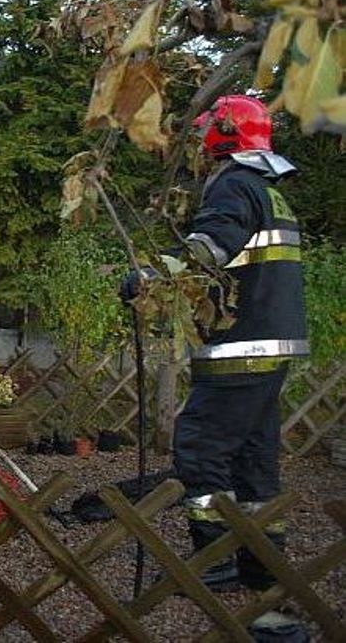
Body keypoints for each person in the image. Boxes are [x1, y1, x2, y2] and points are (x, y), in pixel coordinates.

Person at [122, 94, 308, 591]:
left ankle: (216, 564)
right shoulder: (269, 191)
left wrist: (148, 278)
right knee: (253, 460)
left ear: (220, 137)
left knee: (201, 448)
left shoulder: (234, 184)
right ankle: (262, 566)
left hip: (239, 345)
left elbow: (209, 248)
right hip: (271, 343)